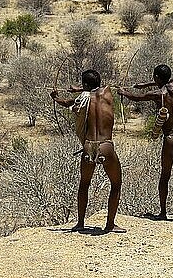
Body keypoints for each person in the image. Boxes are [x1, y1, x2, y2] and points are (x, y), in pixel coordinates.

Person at [118, 64, 173, 223]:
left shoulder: (158, 94)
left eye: (154, 77)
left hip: (170, 139)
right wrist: (145, 84)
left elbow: (137, 98)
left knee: (165, 175)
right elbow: (166, 82)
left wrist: (124, 93)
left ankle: (163, 212)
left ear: (157, 78)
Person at [51, 69, 126, 233]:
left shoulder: (83, 99)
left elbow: (68, 103)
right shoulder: (108, 93)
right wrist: (81, 88)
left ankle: (80, 223)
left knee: (84, 184)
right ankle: (110, 224)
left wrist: (56, 98)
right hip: (105, 147)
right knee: (116, 183)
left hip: (89, 146)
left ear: (85, 85)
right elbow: (95, 90)